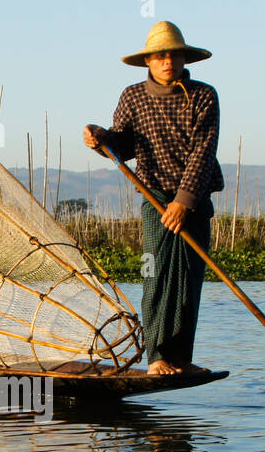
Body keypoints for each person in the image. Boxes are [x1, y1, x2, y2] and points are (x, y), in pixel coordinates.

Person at [83, 21, 223, 375]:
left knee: (189, 280)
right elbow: (124, 146)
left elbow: (203, 153)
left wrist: (184, 201)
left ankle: (181, 358)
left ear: (183, 59)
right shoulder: (133, 96)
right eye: (160, 56)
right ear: (148, 61)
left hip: (193, 197)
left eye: (173, 56)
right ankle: (158, 357)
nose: (167, 63)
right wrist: (102, 139)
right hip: (155, 196)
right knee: (156, 273)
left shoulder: (205, 95)